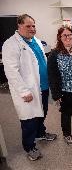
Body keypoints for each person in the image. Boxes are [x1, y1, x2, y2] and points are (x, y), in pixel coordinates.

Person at [2, 14, 57, 161]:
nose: (32, 28)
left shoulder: (36, 41)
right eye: (28, 26)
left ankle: (40, 133)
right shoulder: (11, 44)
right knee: (29, 120)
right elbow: (11, 72)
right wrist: (23, 91)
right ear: (19, 26)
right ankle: (29, 146)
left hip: (43, 87)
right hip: (28, 90)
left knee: (42, 112)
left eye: (33, 25)